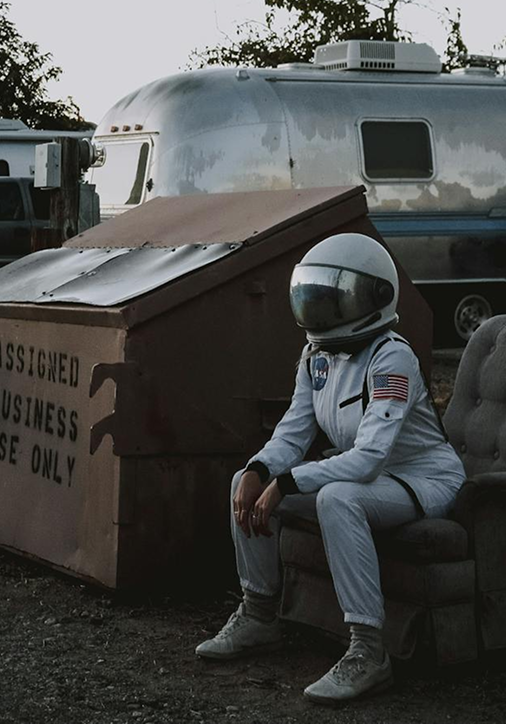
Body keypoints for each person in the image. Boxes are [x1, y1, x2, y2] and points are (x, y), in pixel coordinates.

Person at [195, 233, 466, 706]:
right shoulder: (316, 356)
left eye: (336, 297)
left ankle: (369, 652)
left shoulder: (392, 356)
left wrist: (287, 482)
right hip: (370, 477)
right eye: (316, 297)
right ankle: (258, 615)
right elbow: (293, 433)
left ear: (375, 295)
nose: (322, 310)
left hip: (423, 478)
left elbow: (370, 456)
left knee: (337, 498)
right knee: (244, 481)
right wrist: (260, 470)